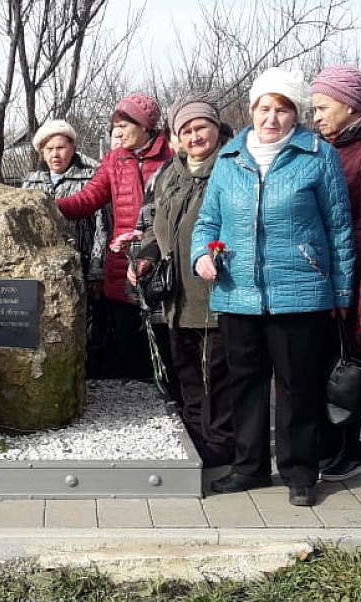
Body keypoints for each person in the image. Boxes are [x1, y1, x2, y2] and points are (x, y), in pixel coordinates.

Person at [190, 67, 354, 507]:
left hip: (300, 293)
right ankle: (249, 467)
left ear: (296, 114)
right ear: (251, 110)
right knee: (244, 384)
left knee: (298, 385)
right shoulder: (229, 159)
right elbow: (207, 222)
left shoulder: (318, 156)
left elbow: (339, 228)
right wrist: (202, 254)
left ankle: (300, 471)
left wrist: (341, 292)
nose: (272, 117)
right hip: (237, 292)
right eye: (265, 107)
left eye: (282, 109)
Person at [128, 93, 235, 468]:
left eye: (200, 127)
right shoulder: (170, 173)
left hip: (218, 290)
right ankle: (194, 435)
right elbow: (153, 226)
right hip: (176, 294)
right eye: (185, 130)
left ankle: (221, 444)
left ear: (216, 129)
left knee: (217, 375)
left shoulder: (232, 166)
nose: (194, 136)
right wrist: (144, 257)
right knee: (187, 369)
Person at [309, 65, 361, 482]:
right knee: (325, 359)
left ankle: (354, 446)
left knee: (352, 361)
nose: (317, 116)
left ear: (349, 105)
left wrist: (348, 276)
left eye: (323, 107)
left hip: (354, 272)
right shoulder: (329, 144)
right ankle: (327, 442)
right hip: (321, 270)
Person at [56, 92, 174, 380]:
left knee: (163, 341)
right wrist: (50, 205)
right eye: (115, 126)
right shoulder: (114, 161)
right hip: (123, 262)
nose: (118, 132)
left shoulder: (170, 158)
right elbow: (87, 199)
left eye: (125, 124)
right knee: (125, 337)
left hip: (162, 259)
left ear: (146, 126)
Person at [20, 119, 110, 377]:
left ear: (73, 147)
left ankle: (85, 373)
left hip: (79, 262)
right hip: (42, 267)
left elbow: (102, 226)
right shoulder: (31, 182)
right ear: (41, 152)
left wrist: (96, 269)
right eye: (49, 149)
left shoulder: (89, 177)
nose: (55, 154)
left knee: (82, 324)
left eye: (61, 147)